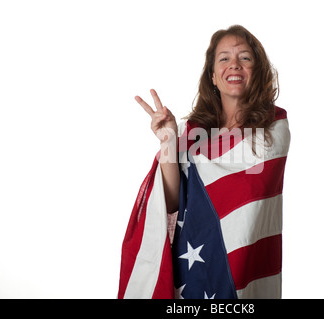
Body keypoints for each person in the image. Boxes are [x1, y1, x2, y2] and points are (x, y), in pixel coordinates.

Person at [119, 25, 290, 299]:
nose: (234, 64)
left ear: (257, 71)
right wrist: (168, 144)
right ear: (213, 75)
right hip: (192, 273)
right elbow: (174, 203)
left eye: (245, 57)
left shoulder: (274, 127)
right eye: (224, 58)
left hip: (241, 275)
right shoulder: (192, 133)